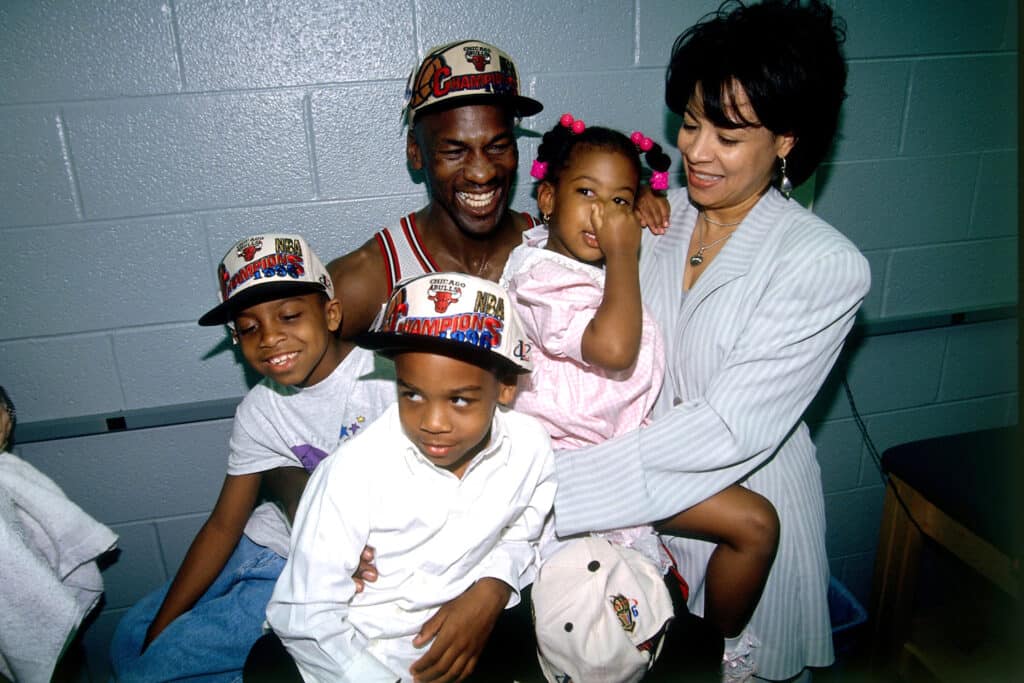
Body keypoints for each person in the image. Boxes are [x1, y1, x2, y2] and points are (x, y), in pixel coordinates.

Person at [550, 2, 870, 681]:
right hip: (644, 521)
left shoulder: (822, 264)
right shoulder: (655, 216)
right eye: (692, 123)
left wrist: (556, 487)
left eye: (727, 135)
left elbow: (729, 426)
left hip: (742, 518)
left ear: (787, 139)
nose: (696, 150)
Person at [502, 115, 777, 681]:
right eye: (586, 194)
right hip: (572, 473)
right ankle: (699, 655)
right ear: (547, 198)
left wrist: (647, 209)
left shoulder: (580, 259)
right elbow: (614, 348)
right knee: (597, 629)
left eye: (620, 200)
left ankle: (715, 652)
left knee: (755, 525)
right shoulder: (538, 276)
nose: (604, 214)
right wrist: (624, 251)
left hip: (623, 456)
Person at [109, 234, 395, 682]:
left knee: (161, 666)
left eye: (289, 315)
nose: (270, 337)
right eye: (248, 327)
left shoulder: (389, 379)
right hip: (263, 544)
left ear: (331, 313)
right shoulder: (260, 408)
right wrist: (159, 631)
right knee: (132, 634)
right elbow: (224, 525)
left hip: (304, 569)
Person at [265, 272, 555, 683]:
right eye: (412, 394)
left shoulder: (530, 447)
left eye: (459, 400)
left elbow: (524, 527)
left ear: (505, 388)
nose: (433, 423)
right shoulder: (352, 473)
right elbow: (306, 615)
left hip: (460, 645)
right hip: (358, 655)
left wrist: (492, 584)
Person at [326, 39, 543, 339]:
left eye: (498, 147)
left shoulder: (554, 250)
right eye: (455, 152)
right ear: (416, 153)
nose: (482, 173)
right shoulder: (370, 277)